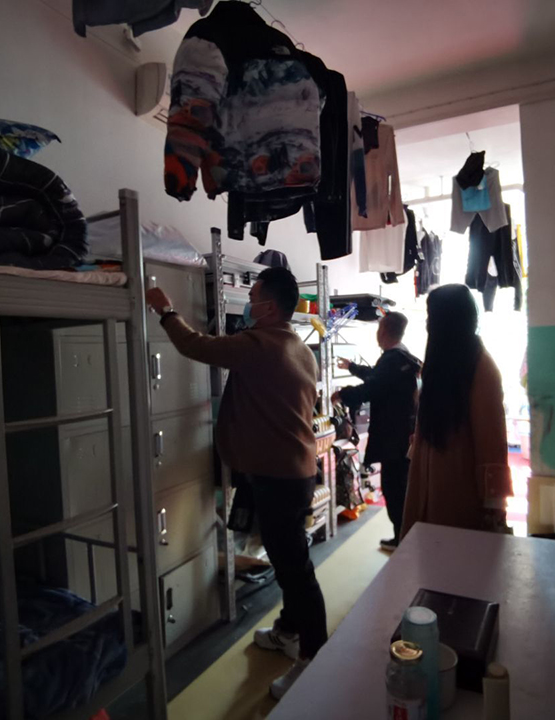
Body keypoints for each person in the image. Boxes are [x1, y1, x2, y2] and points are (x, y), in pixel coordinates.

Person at [146, 267, 326, 700]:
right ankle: (288, 631)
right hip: (295, 472)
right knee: (289, 561)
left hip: (280, 477)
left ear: (270, 307)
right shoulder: (300, 347)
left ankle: (313, 658)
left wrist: (165, 310)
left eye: (255, 296)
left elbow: (195, 345)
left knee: (295, 571)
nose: (250, 304)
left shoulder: (260, 345)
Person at [401, 284, 513, 540]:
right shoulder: (439, 364)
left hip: (460, 491)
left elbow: (492, 445)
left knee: (453, 557)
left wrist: (495, 507)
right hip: (426, 482)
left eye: (431, 316)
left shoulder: (482, 368)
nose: (427, 323)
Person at [332, 312, 420, 549]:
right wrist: (352, 367)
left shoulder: (391, 360)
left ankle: (402, 539)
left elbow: (372, 387)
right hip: (406, 434)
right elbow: (378, 377)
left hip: (394, 437)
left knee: (393, 488)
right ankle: (405, 535)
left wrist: (342, 394)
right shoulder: (405, 357)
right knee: (401, 486)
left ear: (383, 331)